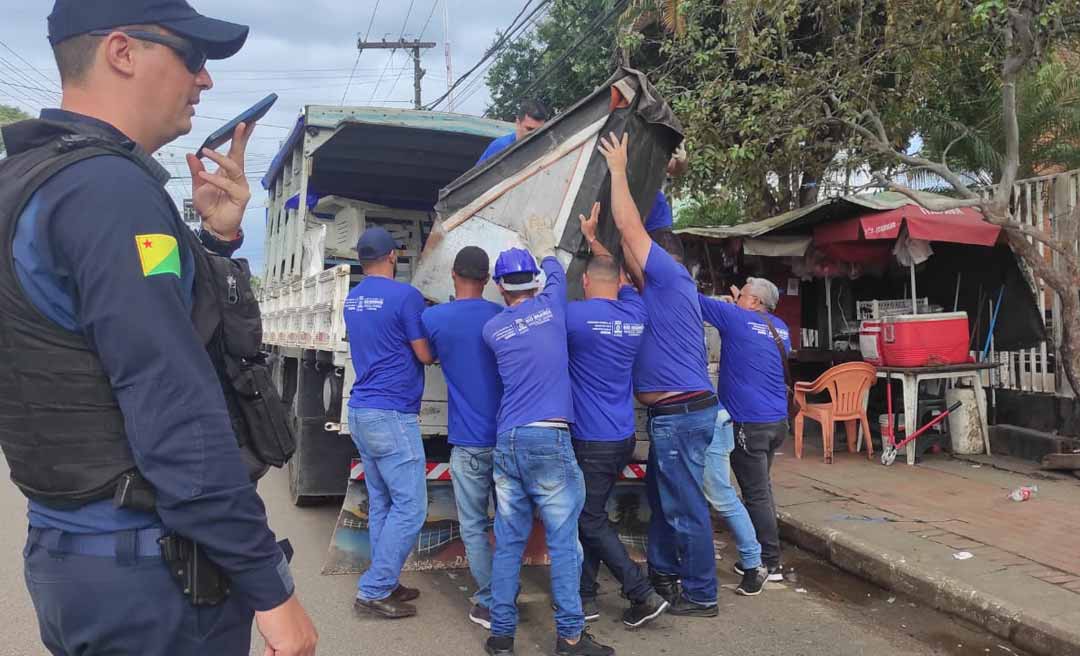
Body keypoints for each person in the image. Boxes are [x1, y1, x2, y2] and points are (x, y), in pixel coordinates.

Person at [0, 2, 318, 655]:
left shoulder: (32, 179)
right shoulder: (109, 192)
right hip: (149, 573)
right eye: (193, 58)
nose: (204, 82)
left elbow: (90, 339)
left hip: (75, 549)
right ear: (122, 52)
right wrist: (271, 588)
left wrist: (218, 240)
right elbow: (176, 411)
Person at [597, 131, 722, 616]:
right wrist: (593, 241)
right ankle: (665, 575)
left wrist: (619, 170)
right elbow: (617, 259)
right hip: (673, 416)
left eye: (639, 258)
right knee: (664, 500)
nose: (631, 264)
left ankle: (702, 594)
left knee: (684, 507)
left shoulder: (670, 277)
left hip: (681, 414)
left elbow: (630, 233)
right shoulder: (652, 294)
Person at [482, 218, 613, 656]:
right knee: (563, 543)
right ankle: (571, 638)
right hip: (549, 441)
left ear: (500, 288)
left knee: (508, 542)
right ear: (534, 283)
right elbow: (556, 267)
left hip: (509, 441)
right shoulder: (553, 306)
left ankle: (501, 637)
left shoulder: (493, 330)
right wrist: (541, 240)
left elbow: (529, 294)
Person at [567, 203, 670, 627]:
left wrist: (589, 238)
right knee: (593, 515)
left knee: (587, 518)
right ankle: (586, 594)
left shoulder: (573, 317)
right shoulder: (635, 313)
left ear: (586, 282)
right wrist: (595, 240)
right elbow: (624, 278)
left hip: (590, 439)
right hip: (622, 436)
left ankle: (640, 591)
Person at [344, 225, 436, 619]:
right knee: (411, 507)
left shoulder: (353, 298)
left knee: (382, 502)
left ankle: (386, 578)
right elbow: (424, 354)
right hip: (391, 414)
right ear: (393, 256)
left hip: (361, 409)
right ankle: (374, 590)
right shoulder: (406, 296)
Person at [421, 246, 503, 630]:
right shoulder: (504, 318)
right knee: (509, 521)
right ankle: (506, 588)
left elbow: (427, 356)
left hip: (468, 441)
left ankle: (490, 600)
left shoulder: (434, 318)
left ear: (453, 274)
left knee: (473, 524)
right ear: (487, 280)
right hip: (508, 439)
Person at [699, 277, 792, 583]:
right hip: (777, 421)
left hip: (748, 422)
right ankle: (766, 554)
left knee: (755, 494)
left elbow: (690, 299)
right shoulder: (781, 328)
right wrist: (735, 305)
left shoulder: (736, 316)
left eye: (742, 296)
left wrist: (727, 307)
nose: (736, 299)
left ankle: (768, 561)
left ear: (754, 302)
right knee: (762, 489)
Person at [476, 98, 550, 164]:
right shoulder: (502, 146)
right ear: (518, 122)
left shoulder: (543, 146)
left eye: (539, 130)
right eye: (529, 129)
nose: (534, 134)